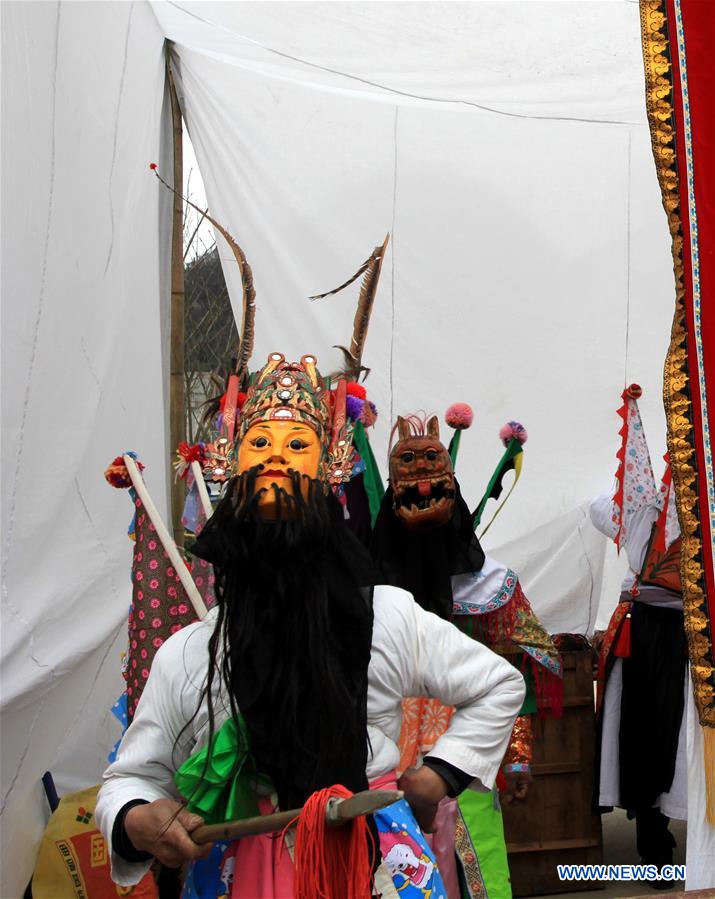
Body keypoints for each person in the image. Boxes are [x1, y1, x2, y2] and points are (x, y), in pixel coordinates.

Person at [96, 352, 526, 898]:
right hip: (238, 865)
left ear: (329, 471)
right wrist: (136, 818)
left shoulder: (384, 617)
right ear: (232, 475)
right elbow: (132, 777)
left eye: (298, 445)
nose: (277, 459)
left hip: (374, 862)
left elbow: (497, 683)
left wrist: (442, 772)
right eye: (260, 444)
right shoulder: (193, 650)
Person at [370, 413, 562, 899]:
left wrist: (517, 758)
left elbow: (513, 671)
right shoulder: (360, 593)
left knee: (475, 870)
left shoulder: (491, 587)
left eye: (433, 472)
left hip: (465, 748)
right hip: (377, 753)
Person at [591, 384, 686, 888]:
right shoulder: (642, 502)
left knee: (669, 734)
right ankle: (653, 836)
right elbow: (596, 507)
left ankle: (659, 831)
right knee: (645, 732)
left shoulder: (690, 506)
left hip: (683, 631)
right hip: (646, 631)